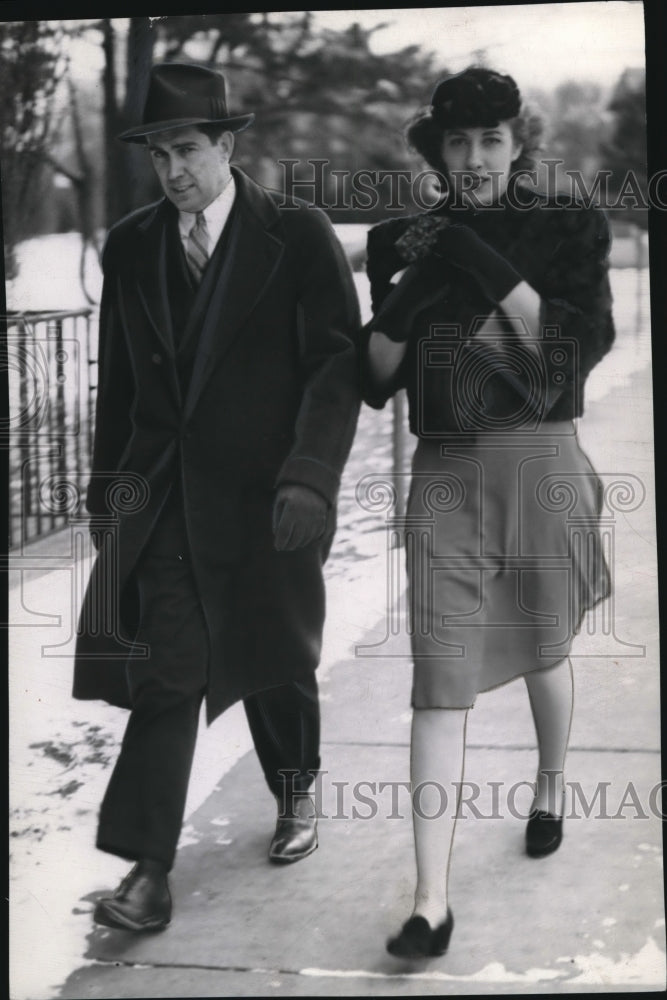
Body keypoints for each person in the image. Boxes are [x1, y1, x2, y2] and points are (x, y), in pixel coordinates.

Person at [73, 62, 360, 932]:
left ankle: (295, 789)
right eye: (158, 153)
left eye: (187, 148)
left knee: (276, 658)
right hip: (164, 498)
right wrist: (109, 495)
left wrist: (311, 476)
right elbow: (117, 385)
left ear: (229, 146)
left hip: (271, 496)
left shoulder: (298, 235)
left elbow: (334, 365)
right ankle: (147, 871)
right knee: (171, 673)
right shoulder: (130, 245)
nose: (172, 169)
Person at [361, 67, 614, 959]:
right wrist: (405, 280)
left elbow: (571, 355)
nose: (474, 158)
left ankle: (550, 786)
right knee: (439, 678)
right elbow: (377, 377)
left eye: (492, 141)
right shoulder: (399, 236)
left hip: (539, 455)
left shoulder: (568, 223)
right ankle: (430, 901)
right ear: (436, 149)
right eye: (457, 143)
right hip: (445, 473)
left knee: (545, 647)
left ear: (518, 145)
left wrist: (482, 262)